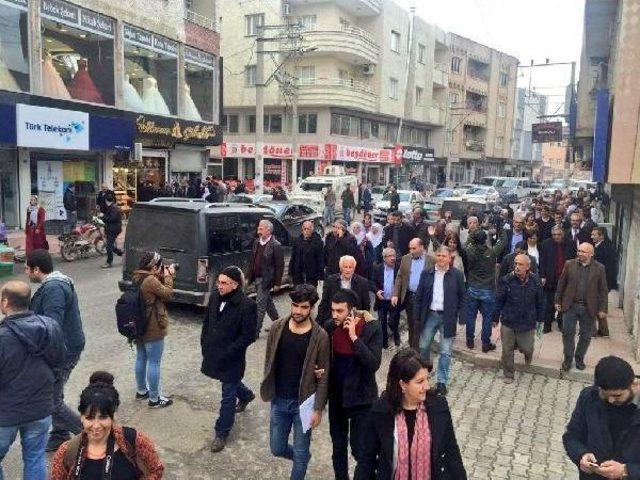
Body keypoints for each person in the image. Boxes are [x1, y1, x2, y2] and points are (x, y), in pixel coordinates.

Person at [354, 349, 467, 479]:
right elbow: (366, 460)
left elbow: (452, 452)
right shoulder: (381, 411)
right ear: (402, 384)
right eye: (420, 382)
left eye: (427, 379)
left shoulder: (438, 407)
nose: (427, 386)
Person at [260, 285, 330, 480]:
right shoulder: (277, 328)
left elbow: (324, 376)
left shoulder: (320, 336)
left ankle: (301, 460)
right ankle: (303, 458)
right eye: (295, 305)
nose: (298, 311)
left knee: (300, 453)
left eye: (304, 307)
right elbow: (269, 360)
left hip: (304, 404)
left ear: (312, 308)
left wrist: (318, 408)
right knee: (277, 448)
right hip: (279, 400)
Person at [0, 281, 65, 480]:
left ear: (5, 302)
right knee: (35, 458)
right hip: (40, 409)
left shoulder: (2, 336)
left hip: (6, 413)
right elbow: (59, 362)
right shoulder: (50, 326)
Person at [50, 371, 165, 479]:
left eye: (103, 417)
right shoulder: (67, 452)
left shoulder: (135, 441)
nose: (96, 426)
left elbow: (156, 469)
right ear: (81, 417)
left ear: (113, 416)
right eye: (90, 418)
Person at [26, 249, 86, 451]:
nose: (26, 272)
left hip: (62, 350)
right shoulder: (55, 284)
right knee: (54, 395)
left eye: (27, 268)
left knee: (51, 400)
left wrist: (43, 353)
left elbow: (52, 325)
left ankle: (91, 434)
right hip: (65, 346)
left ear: (36, 269)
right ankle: (60, 433)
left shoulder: (54, 288)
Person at [323, 289, 382, 480]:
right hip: (338, 398)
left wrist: (354, 338)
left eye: (339, 311)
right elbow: (325, 360)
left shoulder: (372, 327)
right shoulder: (330, 327)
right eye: (333, 310)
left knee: (360, 449)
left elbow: (373, 364)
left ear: (352, 310)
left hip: (362, 398)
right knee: (338, 446)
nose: (335, 315)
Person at [201, 267, 257, 453]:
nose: (220, 285)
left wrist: (230, 351)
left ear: (235, 284)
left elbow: (248, 335)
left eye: (224, 283)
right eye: (219, 281)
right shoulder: (215, 296)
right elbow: (207, 322)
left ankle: (221, 432)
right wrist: (204, 343)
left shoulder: (247, 305)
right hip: (214, 352)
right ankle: (247, 395)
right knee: (228, 383)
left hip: (232, 357)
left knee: (227, 394)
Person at [563, 356, 639, 480]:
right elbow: (572, 436)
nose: (611, 400)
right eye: (605, 395)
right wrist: (581, 454)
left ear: (634, 385)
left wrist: (626, 471)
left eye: (617, 395)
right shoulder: (588, 397)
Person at [416, 246, 466, 395]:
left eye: (444, 256)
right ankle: (424, 374)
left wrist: (462, 316)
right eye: (439, 255)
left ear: (450, 258)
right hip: (430, 314)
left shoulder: (457, 275)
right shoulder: (427, 274)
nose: (441, 258)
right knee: (424, 346)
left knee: (445, 351)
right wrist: (417, 315)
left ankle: (442, 381)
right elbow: (419, 296)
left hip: (448, 317)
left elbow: (463, 297)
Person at [555, 242, 609, 371]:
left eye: (583, 251)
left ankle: (579, 359)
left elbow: (603, 290)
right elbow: (561, 284)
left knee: (586, 335)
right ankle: (568, 359)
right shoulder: (569, 264)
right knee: (568, 333)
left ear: (591, 253)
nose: (580, 253)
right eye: (579, 251)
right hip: (570, 306)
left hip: (589, 308)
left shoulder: (599, 268)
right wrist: (557, 301)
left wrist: (602, 309)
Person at [132, 252, 175, 407]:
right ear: (154, 266)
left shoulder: (137, 276)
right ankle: (155, 399)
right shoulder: (150, 280)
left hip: (138, 326)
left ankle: (142, 391)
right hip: (152, 326)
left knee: (141, 358)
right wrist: (169, 276)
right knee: (154, 362)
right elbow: (167, 293)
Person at [494, 254, 545, 384]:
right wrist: (495, 317)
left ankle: (528, 355)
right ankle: (509, 374)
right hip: (508, 320)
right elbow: (499, 299)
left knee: (527, 348)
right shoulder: (507, 280)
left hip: (527, 322)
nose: (517, 267)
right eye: (515, 264)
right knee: (507, 349)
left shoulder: (535, 280)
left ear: (528, 266)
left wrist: (541, 319)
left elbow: (540, 301)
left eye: (520, 264)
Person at [464, 228, 506, 352]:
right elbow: (503, 241)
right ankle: (485, 343)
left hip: (473, 287)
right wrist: (501, 227)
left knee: (471, 316)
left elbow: (466, 244)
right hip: (488, 289)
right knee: (487, 317)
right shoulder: (492, 252)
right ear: (485, 240)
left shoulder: (469, 251)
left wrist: (471, 235)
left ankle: (470, 341)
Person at [392, 238, 430, 350]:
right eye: (410, 248)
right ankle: (413, 348)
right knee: (412, 323)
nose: (411, 251)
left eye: (414, 248)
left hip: (424, 298)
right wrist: (395, 294)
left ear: (422, 247)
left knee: (420, 323)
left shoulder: (431, 260)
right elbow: (400, 277)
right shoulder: (405, 259)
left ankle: (417, 348)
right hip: (410, 297)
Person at [249, 220, 284, 335]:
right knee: (267, 302)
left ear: (268, 230)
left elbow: (280, 265)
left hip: (266, 280)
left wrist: (277, 283)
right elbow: (253, 260)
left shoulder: (276, 245)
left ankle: (255, 331)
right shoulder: (256, 242)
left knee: (260, 305)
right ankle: (279, 324)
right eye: (258, 228)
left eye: (261, 229)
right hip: (257, 278)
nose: (258, 231)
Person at [539, 226, 577, 333]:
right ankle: (547, 325)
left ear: (563, 234)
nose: (556, 237)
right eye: (554, 235)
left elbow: (575, 261)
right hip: (551, 278)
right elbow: (542, 261)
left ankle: (561, 324)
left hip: (566, 279)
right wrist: (542, 276)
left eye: (559, 234)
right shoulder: (546, 244)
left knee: (564, 302)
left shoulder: (571, 244)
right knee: (549, 303)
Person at [318, 255, 371, 321]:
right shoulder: (330, 281)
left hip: (354, 320)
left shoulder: (363, 282)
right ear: (340, 268)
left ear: (354, 268)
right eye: (345, 267)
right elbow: (324, 303)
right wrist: (319, 322)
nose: (348, 270)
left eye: (350, 267)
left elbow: (366, 305)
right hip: (334, 319)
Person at [373, 247, 401, 349]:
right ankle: (384, 340)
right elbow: (372, 281)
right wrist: (376, 291)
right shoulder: (378, 268)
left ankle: (395, 333)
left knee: (394, 320)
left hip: (394, 300)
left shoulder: (399, 268)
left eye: (394, 255)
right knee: (382, 321)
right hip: (382, 300)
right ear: (384, 258)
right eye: (390, 256)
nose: (393, 258)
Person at [289, 221, 324, 287]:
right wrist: (290, 273)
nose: (306, 231)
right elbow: (293, 258)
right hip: (299, 274)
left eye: (308, 229)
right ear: (302, 230)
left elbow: (320, 259)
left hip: (311, 274)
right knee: (299, 294)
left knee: (310, 294)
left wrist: (320, 275)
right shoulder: (297, 241)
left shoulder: (317, 242)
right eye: (304, 229)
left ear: (312, 230)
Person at [100, 192, 123, 269]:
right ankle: (122, 254)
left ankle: (109, 262)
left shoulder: (114, 208)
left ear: (107, 201)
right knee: (110, 245)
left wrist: (103, 217)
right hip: (112, 228)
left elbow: (112, 219)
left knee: (108, 246)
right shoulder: (112, 207)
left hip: (113, 229)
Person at [592, 227, 618, 292]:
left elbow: (609, 267)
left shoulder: (606, 248)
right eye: (591, 234)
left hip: (603, 281)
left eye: (594, 235)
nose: (591, 237)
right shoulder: (599, 245)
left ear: (602, 236)